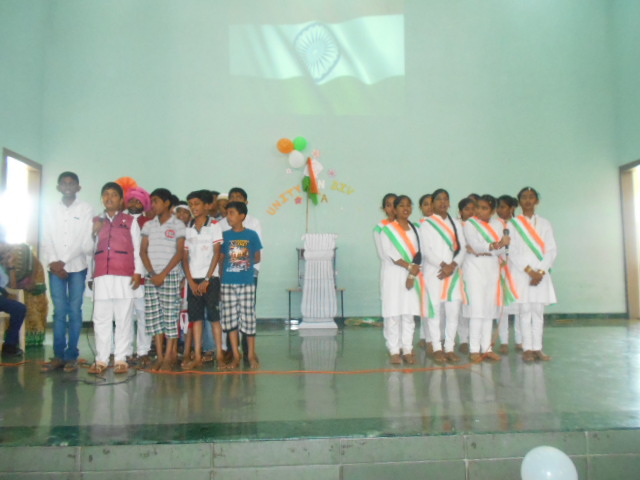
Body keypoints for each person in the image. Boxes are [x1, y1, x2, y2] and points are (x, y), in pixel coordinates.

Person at [88, 182, 143, 375]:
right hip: (101, 276)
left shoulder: (130, 221)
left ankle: (121, 358)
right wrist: (93, 232)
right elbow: (88, 250)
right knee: (101, 318)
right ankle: (101, 359)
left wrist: (138, 272)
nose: (109, 198)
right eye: (106, 194)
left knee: (123, 318)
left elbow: (137, 248)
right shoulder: (96, 221)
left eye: (113, 195)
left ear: (121, 200)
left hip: (124, 275)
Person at [41, 172, 94, 373]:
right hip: (55, 268)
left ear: (78, 187)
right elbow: (46, 237)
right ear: (58, 187)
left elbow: (84, 240)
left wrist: (62, 261)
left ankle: (72, 355)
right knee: (59, 311)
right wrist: (55, 263)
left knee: (74, 310)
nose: (68, 186)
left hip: (77, 266)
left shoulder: (86, 208)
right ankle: (58, 356)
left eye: (72, 184)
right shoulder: (50, 209)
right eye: (64, 183)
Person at [509, 187, 557, 362]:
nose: (528, 200)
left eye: (531, 197)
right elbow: (512, 251)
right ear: (519, 201)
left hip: (540, 275)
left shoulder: (545, 224)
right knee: (524, 311)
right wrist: (530, 271)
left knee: (537, 312)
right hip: (523, 274)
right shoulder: (513, 224)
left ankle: (538, 348)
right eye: (524, 197)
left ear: (537, 201)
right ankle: (527, 348)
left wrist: (541, 271)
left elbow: (551, 250)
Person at [140, 188, 186, 371]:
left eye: (156, 201)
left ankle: (168, 357)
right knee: (154, 317)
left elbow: (180, 252)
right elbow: (143, 251)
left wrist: (163, 274)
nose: (153, 205)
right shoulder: (148, 225)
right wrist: (153, 274)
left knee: (170, 316)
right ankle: (159, 356)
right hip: (152, 277)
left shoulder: (178, 225)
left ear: (167, 203)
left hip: (170, 276)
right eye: (152, 201)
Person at [420, 189, 466, 364]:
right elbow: (426, 250)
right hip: (435, 273)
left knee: (453, 312)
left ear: (449, 202)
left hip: (453, 274)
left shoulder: (455, 223)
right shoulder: (426, 224)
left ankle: (449, 348)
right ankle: (437, 348)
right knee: (435, 311)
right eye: (439, 199)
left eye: (446, 199)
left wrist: (453, 265)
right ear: (433, 203)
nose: (442, 202)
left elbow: (462, 248)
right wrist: (443, 265)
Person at [463, 195, 510, 362]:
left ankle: (487, 348)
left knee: (489, 309)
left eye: (484, 208)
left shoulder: (498, 224)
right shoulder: (470, 224)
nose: (479, 211)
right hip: (474, 266)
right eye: (478, 207)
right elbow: (475, 245)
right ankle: (474, 349)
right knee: (477, 309)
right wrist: (495, 245)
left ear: (492, 210)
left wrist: (497, 246)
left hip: (492, 266)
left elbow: (501, 250)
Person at [379, 195, 425, 365]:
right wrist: (409, 267)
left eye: (408, 205)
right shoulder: (387, 230)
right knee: (393, 314)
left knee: (408, 314)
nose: (406, 208)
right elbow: (390, 253)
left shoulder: (416, 229)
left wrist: (412, 275)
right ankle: (394, 350)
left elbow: (420, 254)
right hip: (393, 274)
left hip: (411, 276)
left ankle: (407, 349)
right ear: (395, 209)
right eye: (401, 206)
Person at [219, 187, 262, 365]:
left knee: (248, 317)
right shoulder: (224, 233)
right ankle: (235, 354)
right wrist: (222, 275)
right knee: (230, 318)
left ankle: (250, 354)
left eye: (232, 214)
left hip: (246, 280)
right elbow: (221, 257)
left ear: (242, 216)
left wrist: (243, 263)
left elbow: (257, 256)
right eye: (227, 213)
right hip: (227, 282)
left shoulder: (252, 232)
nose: (229, 217)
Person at [182, 190, 223, 369]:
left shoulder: (214, 225)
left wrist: (207, 278)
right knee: (196, 318)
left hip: (210, 279)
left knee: (214, 317)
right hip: (193, 279)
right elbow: (185, 257)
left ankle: (220, 355)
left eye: (197, 204)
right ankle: (197, 356)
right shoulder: (188, 227)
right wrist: (191, 281)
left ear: (206, 206)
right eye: (191, 204)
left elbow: (217, 253)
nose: (193, 207)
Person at [124, 186, 153, 365]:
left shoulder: (149, 222)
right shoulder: (121, 220)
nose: (134, 204)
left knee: (143, 314)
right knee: (125, 315)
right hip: (123, 274)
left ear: (144, 205)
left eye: (138, 201)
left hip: (144, 275)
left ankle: (143, 350)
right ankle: (126, 351)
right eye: (131, 201)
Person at [495, 194, 521, 354]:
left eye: (503, 207)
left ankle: (520, 340)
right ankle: (503, 341)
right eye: (498, 207)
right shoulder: (494, 225)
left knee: (519, 306)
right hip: (499, 269)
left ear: (512, 208)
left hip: (517, 269)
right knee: (502, 308)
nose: (500, 210)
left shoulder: (519, 225)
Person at [456, 197, 477, 354]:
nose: (470, 212)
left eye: (473, 209)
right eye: (467, 209)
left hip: (478, 271)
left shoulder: (481, 226)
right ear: (460, 211)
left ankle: (476, 338)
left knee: (476, 306)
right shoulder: (456, 226)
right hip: (460, 269)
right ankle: (463, 339)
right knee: (462, 306)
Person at [0, 243, 27, 357]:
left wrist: (11, 266)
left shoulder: (3, 268)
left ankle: (9, 345)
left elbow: (13, 287)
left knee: (19, 308)